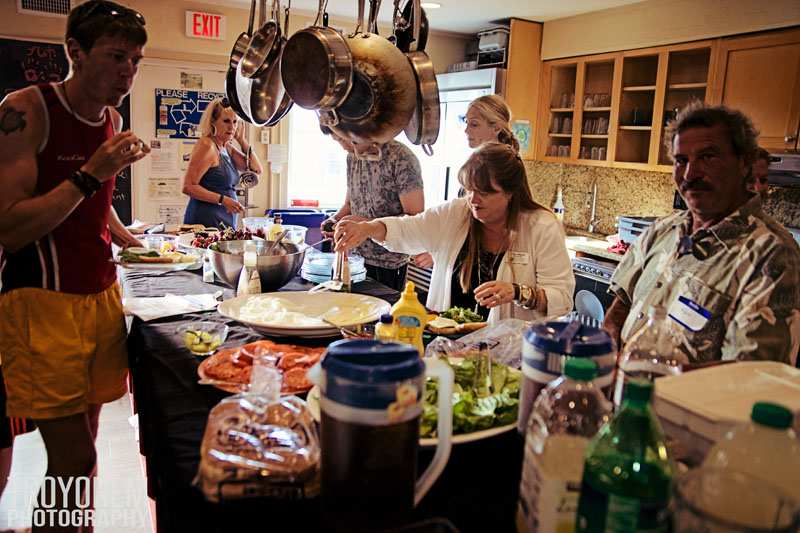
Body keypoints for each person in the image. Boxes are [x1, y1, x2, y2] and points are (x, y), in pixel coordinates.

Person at [0, 1, 149, 530]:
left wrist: (132, 240)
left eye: (135, 60)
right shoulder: (26, 111)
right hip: (42, 300)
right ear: (75, 53)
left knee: (82, 451)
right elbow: (11, 227)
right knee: (75, 459)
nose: (127, 72)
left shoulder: (110, 117)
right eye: (115, 57)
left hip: (100, 296)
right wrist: (91, 171)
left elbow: (97, 201)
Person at [604, 102, 800, 365]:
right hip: (623, 397)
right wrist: (608, 346)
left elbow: (748, 374)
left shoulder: (772, 255)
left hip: (683, 406)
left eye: (707, 157)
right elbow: (620, 306)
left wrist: (646, 377)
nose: (690, 173)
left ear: (744, 163)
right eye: (681, 160)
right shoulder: (663, 230)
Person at [334, 142, 574, 323]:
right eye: (469, 189)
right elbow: (411, 228)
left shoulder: (541, 227)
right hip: (449, 343)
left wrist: (518, 292)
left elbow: (562, 299)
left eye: (485, 192)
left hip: (510, 355)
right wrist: (369, 228)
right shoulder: (457, 212)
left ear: (511, 193)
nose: (473, 200)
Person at [413, 94, 520, 270]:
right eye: (466, 122)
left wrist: (443, 249)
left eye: (474, 124)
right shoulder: (476, 166)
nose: (466, 130)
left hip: (488, 266)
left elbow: (493, 227)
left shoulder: (504, 170)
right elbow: (464, 222)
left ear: (497, 128)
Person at [320, 127, 424, 291]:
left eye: (342, 139)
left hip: (388, 261)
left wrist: (364, 225)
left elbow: (414, 218)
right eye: (337, 141)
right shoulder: (352, 157)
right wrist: (335, 220)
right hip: (354, 258)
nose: (344, 146)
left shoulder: (401, 158)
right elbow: (349, 204)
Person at [182, 97, 262, 229]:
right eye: (226, 121)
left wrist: (242, 140)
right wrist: (223, 200)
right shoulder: (207, 145)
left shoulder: (226, 147)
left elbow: (256, 170)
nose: (232, 127)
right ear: (213, 122)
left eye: (235, 122)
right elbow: (188, 186)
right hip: (206, 223)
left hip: (224, 221)